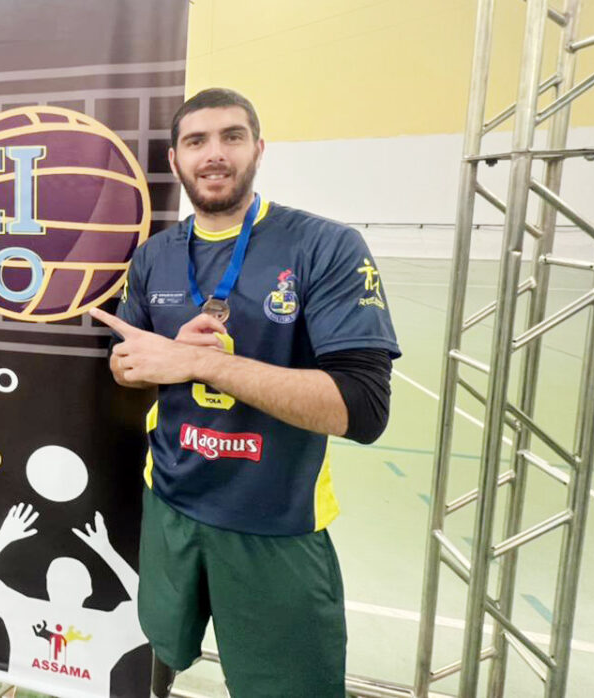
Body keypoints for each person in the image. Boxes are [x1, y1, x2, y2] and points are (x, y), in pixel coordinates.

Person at [89, 87, 400, 698]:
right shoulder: (152, 257)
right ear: (176, 160)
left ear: (258, 148)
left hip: (275, 519)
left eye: (231, 137)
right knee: (162, 647)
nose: (214, 154)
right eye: (196, 141)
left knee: (285, 687)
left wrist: (201, 365)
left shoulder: (325, 247)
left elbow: (362, 408)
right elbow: (129, 374)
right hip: (170, 504)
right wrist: (140, 367)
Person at [0, 503, 147, 696]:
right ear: (48, 584)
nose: (64, 583)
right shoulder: (25, 609)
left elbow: (148, 607)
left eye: (71, 579)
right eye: (58, 577)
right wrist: (4, 536)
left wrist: (106, 550)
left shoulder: (106, 623)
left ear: (88, 588)